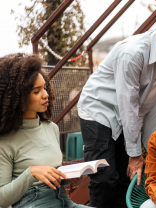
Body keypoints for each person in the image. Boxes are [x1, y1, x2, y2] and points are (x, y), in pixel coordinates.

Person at [77, 7, 156, 207]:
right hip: (100, 110)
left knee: (125, 178)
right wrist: (135, 154)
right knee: (104, 178)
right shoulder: (133, 52)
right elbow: (127, 105)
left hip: (130, 116)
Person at [0, 53, 89, 208]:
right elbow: (2, 199)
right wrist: (30, 173)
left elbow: (51, 173)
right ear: (18, 96)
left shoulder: (51, 128)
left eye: (45, 88)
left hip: (64, 201)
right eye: (37, 91)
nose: (46, 94)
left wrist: (65, 177)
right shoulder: (6, 141)